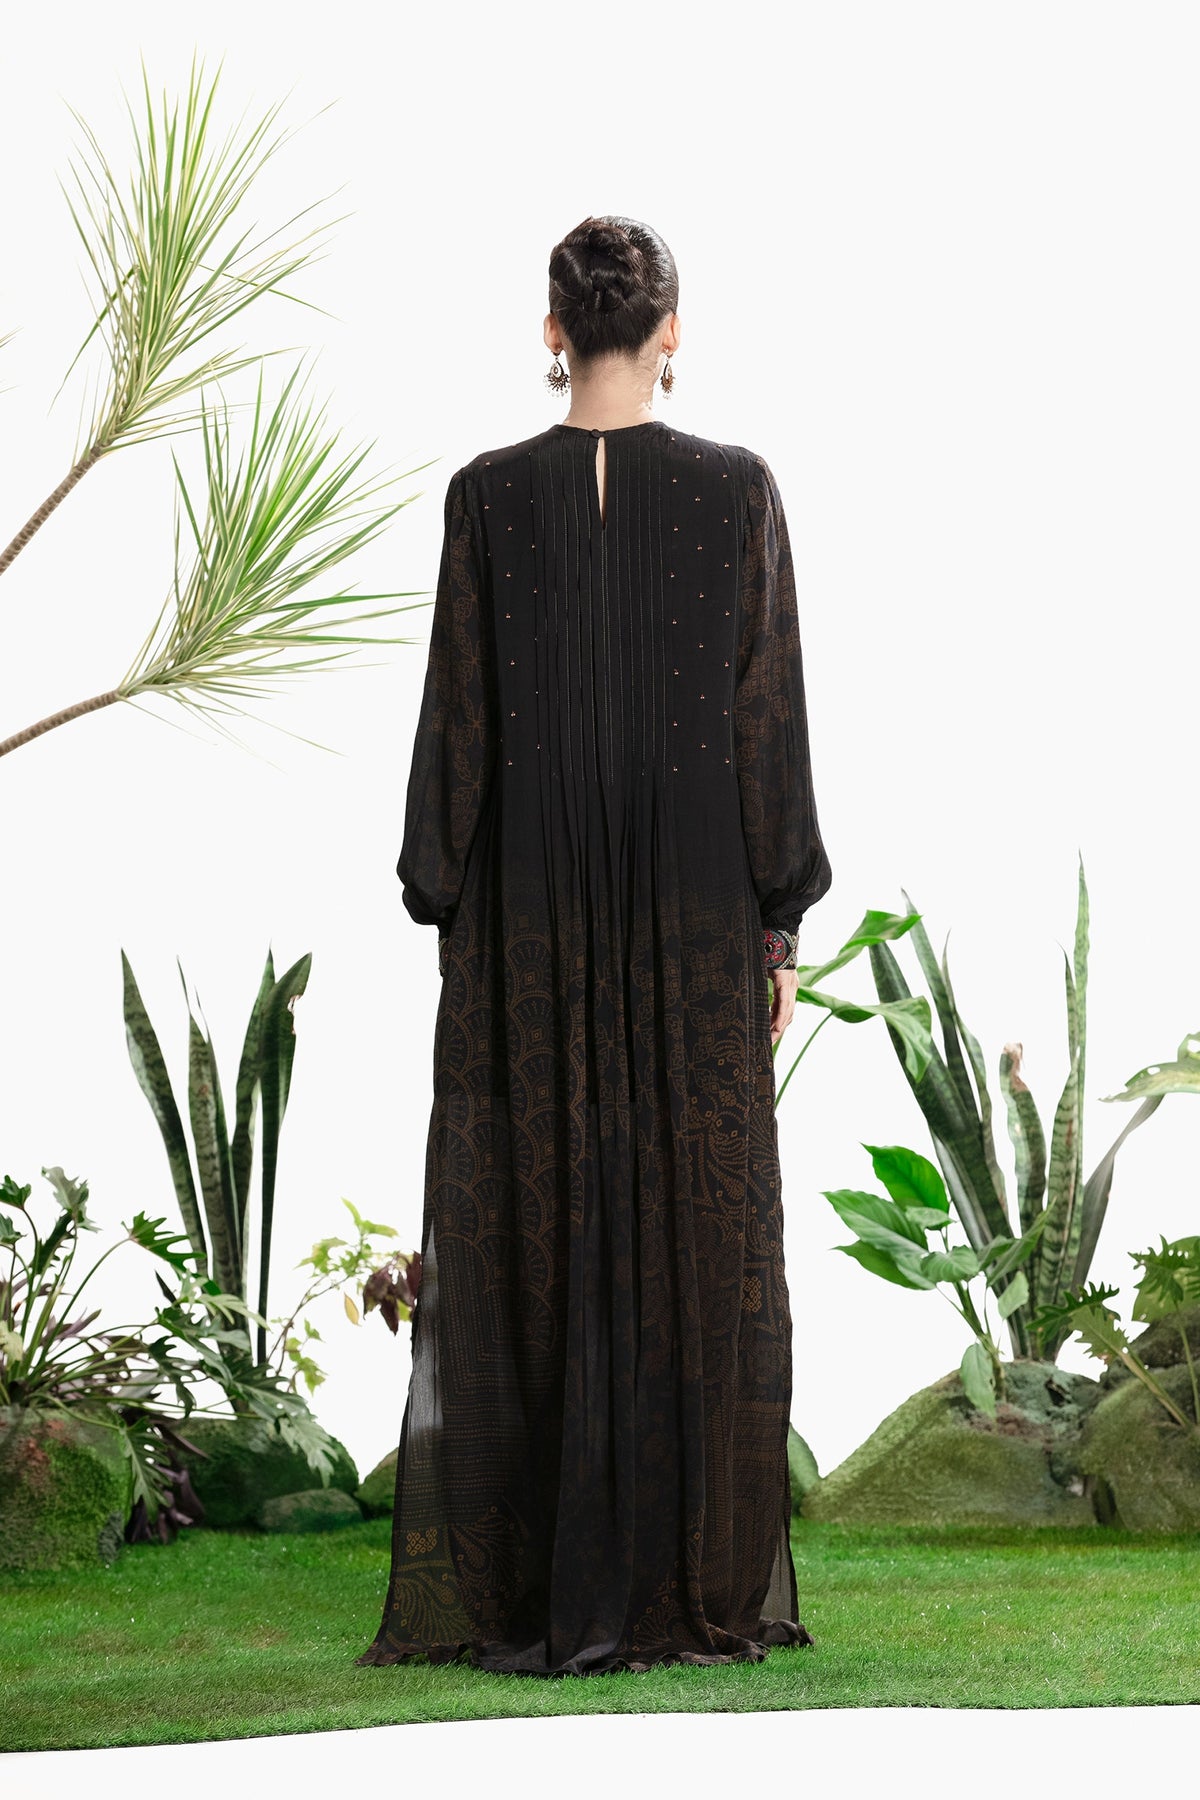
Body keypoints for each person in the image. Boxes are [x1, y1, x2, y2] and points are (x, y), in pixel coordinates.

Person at [356, 214, 833, 1678]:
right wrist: (778, 916)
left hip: (533, 910)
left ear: (555, 329)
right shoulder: (738, 489)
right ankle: (685, 1577)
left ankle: (542, 1580)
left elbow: (460, 716)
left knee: (542, 1209)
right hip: (692, 905)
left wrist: (443, 889)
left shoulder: (487, 497)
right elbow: (764, 713)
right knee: (693, 1216)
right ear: (670, 330)